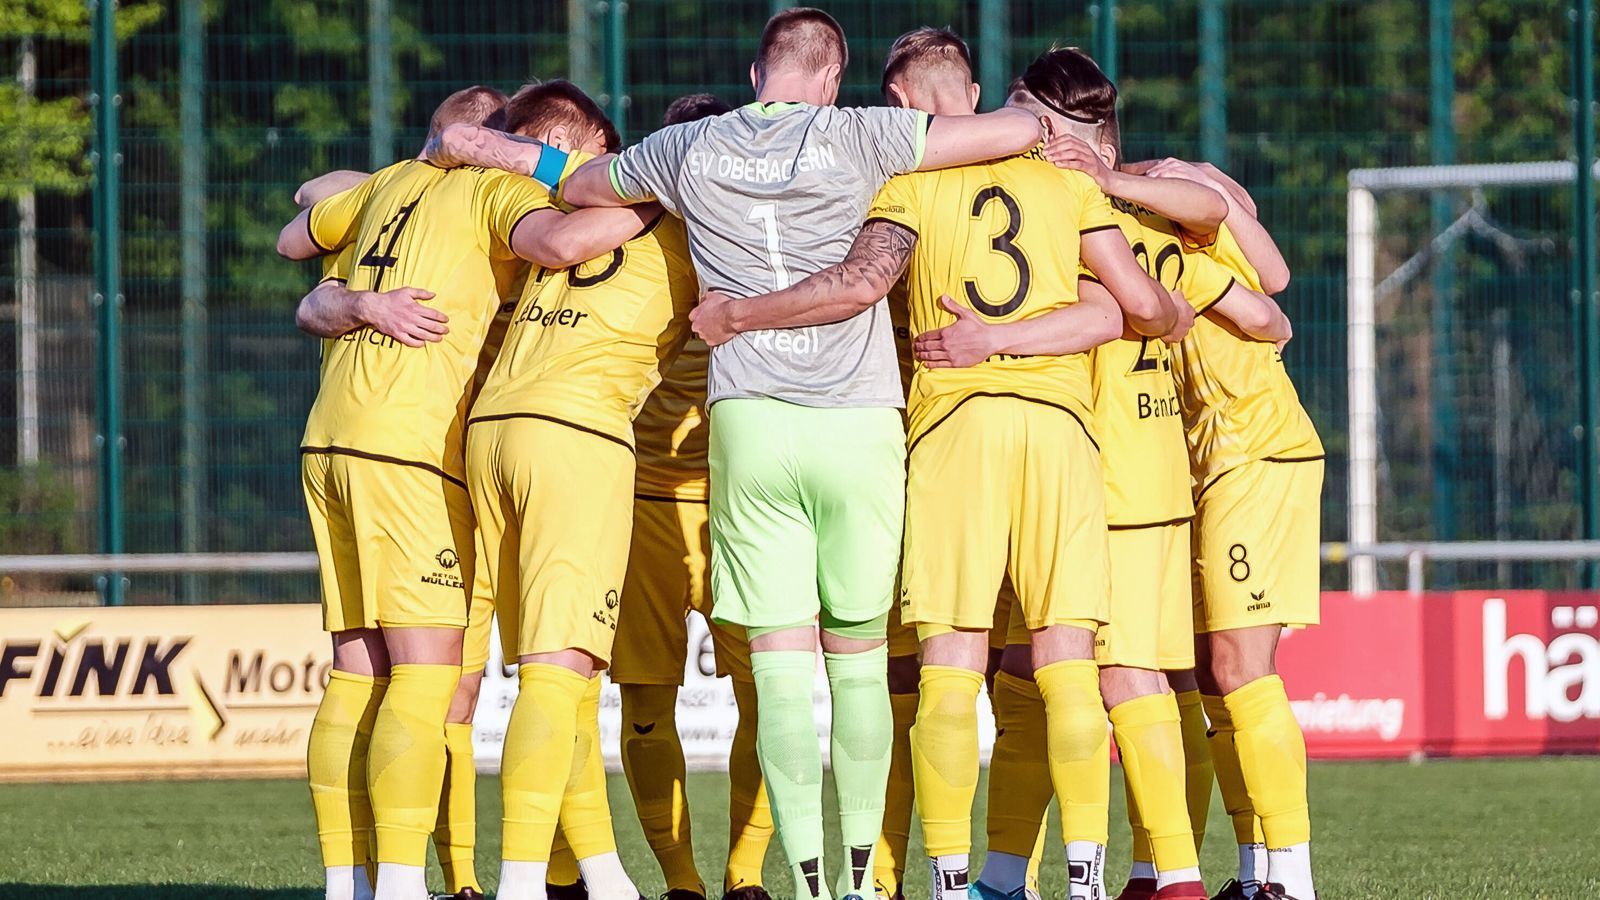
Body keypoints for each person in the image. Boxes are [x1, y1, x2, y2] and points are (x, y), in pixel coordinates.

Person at [424, 9, 1046, 900]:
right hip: (857, 421)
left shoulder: (692, 148)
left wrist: (475, 146)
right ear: (831, 77)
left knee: (785, 665)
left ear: (759, 74)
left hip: (749, 421)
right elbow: (1014, 128)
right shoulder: (865, 134)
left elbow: (575, 177)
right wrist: (1046, 131)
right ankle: (863, 884)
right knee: (860, 662)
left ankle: (805, 881)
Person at [688, 27, 1183, 900]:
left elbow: (863, 279)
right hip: (1062, 430)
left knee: (950, 664)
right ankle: (1088, 880)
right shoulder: (1065, 177)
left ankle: (949, 884)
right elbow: (1135, 307)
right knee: (1068, 665)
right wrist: (1166, 311)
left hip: (953, 428)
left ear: (907, 103)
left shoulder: (907, 182)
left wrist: (744, 314)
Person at [276, 81, 650, 900]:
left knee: (355, 673)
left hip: (329, 436)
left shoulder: (385, 187)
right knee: (428, 675)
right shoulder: (496, 191)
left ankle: (352, 885)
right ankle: (411, 885)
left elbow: (295, 233)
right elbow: (558, 244)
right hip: (414, 444)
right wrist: (658, 193)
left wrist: (346, 298)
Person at [966, 48, 1294, 900]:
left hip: (1104, 476)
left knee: (1127, 676)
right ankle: (1114, 873)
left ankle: (1193, 875)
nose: (1017, 140)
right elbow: (1240, 249)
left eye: (1034, 127)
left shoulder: (1089, 211)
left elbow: (1265, 309)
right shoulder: (1122, 207)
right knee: (1056, 675)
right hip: (1143, 470)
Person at [606, 92, 778, 900]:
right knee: (645, 704)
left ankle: (744, 876)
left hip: (745, 496)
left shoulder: (767, 240)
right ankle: (681, 883)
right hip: (638, 501)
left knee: (767, 693)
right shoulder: (625, 239)